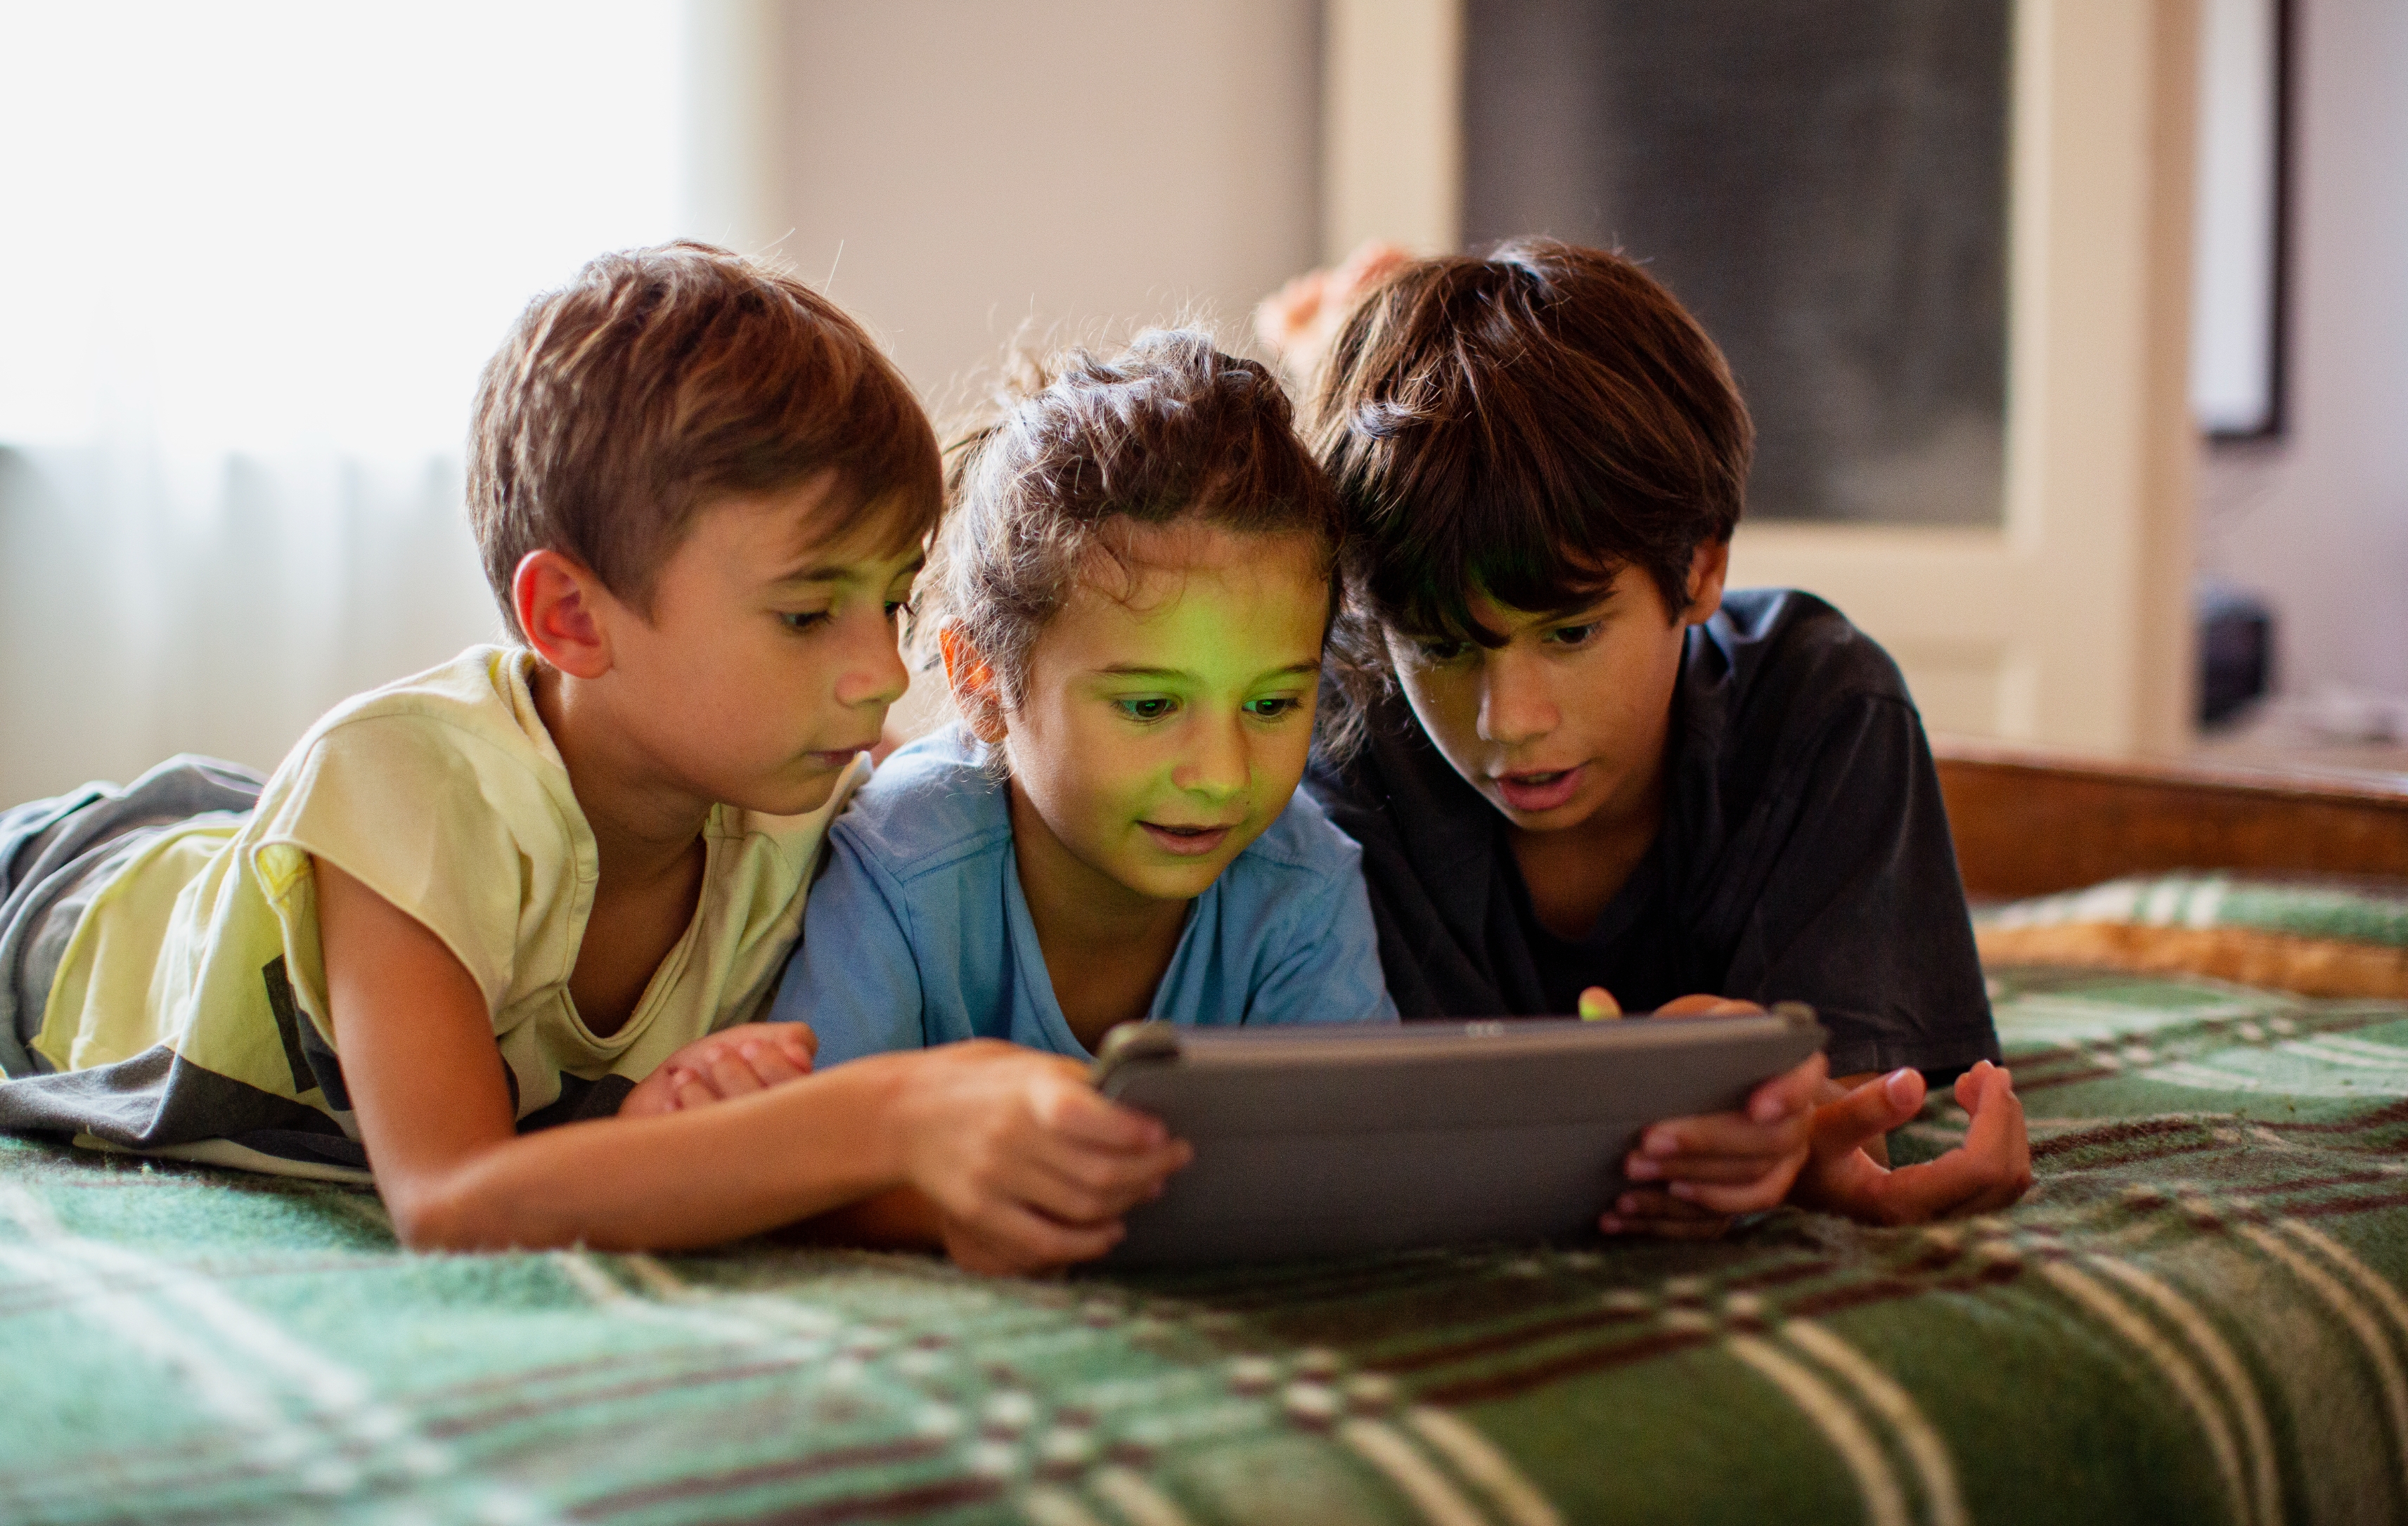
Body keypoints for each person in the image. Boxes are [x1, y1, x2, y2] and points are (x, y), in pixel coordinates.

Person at [0, 243, 1189, 1271]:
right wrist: (881, 1118)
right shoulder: (413, 786)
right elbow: (451, 1199)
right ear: (571, 617)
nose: (881, 671)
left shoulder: (811, 793)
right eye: (804, 612)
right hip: (69, 904)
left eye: (889, 602)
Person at [1268, 238, 2033, 1230]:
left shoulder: (1819, 710)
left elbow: (1846, 1114)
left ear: (1702, 572)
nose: (1512, 720)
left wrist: (1796, 1144)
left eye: (1572, 631)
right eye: (1446, 648)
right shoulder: (1328, 748)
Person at [761, 330, 1395, 1081]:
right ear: (983, 684)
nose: (1222, 775)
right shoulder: (900, 866)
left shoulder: (1302, 886)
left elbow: (1339, 1176)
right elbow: (812, 1158)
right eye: (1151, 705)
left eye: (1271, 704)